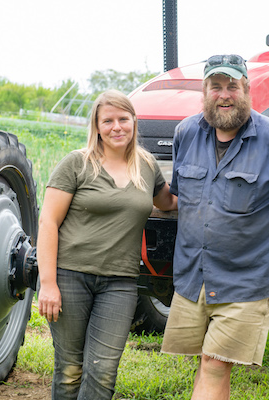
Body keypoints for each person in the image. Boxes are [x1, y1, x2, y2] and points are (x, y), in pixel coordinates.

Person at [160, 54, 269, 399]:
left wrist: (264, 229)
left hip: (246, 279)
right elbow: (180, 197)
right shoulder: (186, 133)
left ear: (246, 88)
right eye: (216, 86)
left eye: (232, 85)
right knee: (209, 363)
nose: (224, 94)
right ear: (205, 91)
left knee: (215, 365)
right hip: (194, 277)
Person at [37, 89, 177, 400]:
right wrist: (48, 283)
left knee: (102, 372)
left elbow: (167, 201)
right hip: (69, 276)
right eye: (108, 120)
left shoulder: (147, 166)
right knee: (70, 370)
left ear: (134, 122)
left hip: (120, 282)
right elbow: (48, 223)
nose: (117, 127)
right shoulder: (77, 164)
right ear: (97, 126)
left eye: (123, 119)